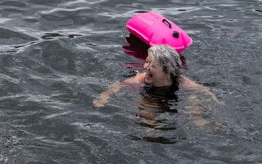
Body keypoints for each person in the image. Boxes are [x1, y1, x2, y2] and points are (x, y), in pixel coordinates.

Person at [93, 44, 221, 129]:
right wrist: (104, 97)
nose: (145, 67)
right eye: (146, 62)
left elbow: (203, 90)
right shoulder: (142, 77)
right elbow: (119, 85)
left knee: (194, 105)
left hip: (173, 95)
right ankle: (153, 131)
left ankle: (207, 126)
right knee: (146, 111)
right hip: (151, 95)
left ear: (167, 71)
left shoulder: (181, 81)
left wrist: (215, 101)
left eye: (152, 65)